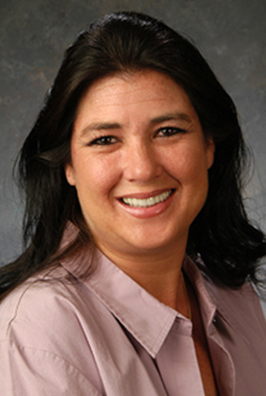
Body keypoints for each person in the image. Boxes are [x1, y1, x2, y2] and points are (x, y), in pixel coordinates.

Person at [0, 11, 266, 396]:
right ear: (68, 165)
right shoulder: (37, 334)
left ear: (209, 145)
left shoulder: (235, 297)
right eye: (105, 140)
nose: (142, 169)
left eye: (168, 131)